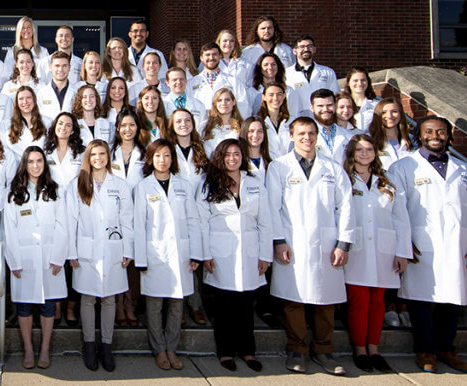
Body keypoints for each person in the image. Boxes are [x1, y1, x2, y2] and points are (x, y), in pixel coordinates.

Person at [389, 116, 467, 373]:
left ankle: (446, 348)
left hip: (458, 244)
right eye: (429, 131)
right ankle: (425, 349)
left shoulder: (465, 171)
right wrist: (404, 242)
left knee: (453, 298)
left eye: (441, 131)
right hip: (421, 245)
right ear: (419, 136)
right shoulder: (403, 167)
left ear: (449, 136)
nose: (436, 135)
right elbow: (395, 209)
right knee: (422, 298)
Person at [267, 116, 353, 376]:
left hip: (327, 244)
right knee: (294, 300)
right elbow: (272, 207)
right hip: (292, 243)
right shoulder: (279, 167)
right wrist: (279, 240)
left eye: (311, 133)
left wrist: (344, 244)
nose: (307, 138)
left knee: (326, 301)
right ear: (291, 136)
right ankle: (297, 349)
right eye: (301, 133)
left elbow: (346, 205)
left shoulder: (333, 168)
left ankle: (325, 350)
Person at [197, 138, 272, 373]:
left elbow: (265, 221)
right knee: (223, 306)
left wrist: (265, 255)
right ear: (220, 157)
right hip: (220, 253)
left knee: (245, 305)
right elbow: (202, 223)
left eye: (237, 154)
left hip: (250, 251)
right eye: (227, 154)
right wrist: (206, 254)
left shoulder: (254, 183)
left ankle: (248, 351)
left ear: (243, 157)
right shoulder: (208, 184)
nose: (232, 158)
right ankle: (226, 352)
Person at [341, 134, 411, 373]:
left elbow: (400, 218)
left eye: (368, 149)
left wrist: (402, 252)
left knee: (379, 301)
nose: (364, 153)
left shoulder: (387, 181)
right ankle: (360, 349)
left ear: (375, 153)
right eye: (359, 149)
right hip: (357, 250)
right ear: (351, 153)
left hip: (384, 250)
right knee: (359, 301)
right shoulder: (344, 180)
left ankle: (375, 348)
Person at [65, 139, 133, 372]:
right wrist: (71, 251)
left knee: (109, 299)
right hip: (86, 250)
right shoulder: (77, 184)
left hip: (113, 249)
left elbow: (127, 220)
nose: (98, 158)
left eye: (102, 153)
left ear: (108, 156)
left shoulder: (120, 186)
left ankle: (106, 346)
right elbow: (70, 221)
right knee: (87, 298)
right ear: (88, 157)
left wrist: (128, 250)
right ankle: (90, 345)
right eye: (94, 154)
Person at [132, 138, 200, 371]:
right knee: (154, 305)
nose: (163, 160)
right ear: (151, 159)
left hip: (180, 254)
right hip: (155, 255)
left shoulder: (184, 185)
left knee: (176, 305)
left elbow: (193, 220)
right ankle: (159, 349)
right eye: (158, 155)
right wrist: (140, 258)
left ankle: (172, 347)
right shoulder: (143, 187)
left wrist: (196, 254)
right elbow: (138, 225)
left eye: (167, 155)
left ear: (173, 159)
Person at [2, 145, 67, 370]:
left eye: (39, 161)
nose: (36, 165)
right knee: (24, 307)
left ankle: (45, 349)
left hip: (50, 257)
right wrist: (14, 261)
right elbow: (9, 229)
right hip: (25, 258)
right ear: (24, 164)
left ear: (45, 164)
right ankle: (29, 349)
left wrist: (59, 256)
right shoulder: (13, 192)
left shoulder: (55, 190)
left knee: (49, 306)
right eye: (31, 161)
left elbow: (62, 226)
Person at [189, 43, 251, 119]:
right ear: (201, 58)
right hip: (200, 127)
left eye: (214, 54)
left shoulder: (233, 81)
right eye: (207, 55)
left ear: (220, 56)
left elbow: (244, 105)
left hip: (228, 127)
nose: (211, 58)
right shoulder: (191, 83)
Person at [285, 35, 339, 118]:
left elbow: (335, 97)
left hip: (322, 119)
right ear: (294, 51)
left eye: (309, 46)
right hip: (296, 119)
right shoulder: (286, 74)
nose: (306, 49)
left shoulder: (328, 72)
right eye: (302, 47)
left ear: (314, 49)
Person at [165, 108, 209, 189]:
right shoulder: (167, 150)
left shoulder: (204, 148)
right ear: (172, 126)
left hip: (200, 198)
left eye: (187, 120)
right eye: (178, 121)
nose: (183, 124)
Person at [44, 112, 89, 189]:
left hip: (75, 197)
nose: (63, 127)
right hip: (52, 196)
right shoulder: (46, 151)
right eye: (60, 123)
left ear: (72, 131)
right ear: (55, 126)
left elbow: (86, 178)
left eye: (68, 125)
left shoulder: (82, 152)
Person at [367, 98, 415, 168]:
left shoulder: (412, 140)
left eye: (394, 111)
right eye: (384, 112)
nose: (389, 116)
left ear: (400, 114)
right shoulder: (369, 141)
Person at [309, 89, 354, 163]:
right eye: (320, 106)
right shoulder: (305, 136)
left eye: (329, 105)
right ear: (312, 108)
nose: (325, 109)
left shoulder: (350, 136)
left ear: (335, 106)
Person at [5, 86, 50, 155]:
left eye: (28, 98)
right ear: (17, 103)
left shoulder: (47, 122)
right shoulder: (8, 125)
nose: (25, 101)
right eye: (21, 99)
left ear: (34, 100)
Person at [110, 109, 148, 189]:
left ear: (137, 127)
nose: (128, 129)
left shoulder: (145, 153)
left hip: (138, 198)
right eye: (123, 125)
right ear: (117, 128)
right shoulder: (109, 151)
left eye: (132, 125)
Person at [3, 17, 49, 81]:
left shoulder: (43, 51)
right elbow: (7, 75)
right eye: (23, 28)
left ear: (33, 30)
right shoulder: (12, 52)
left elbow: (47, 74)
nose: (26, 30)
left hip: (38, 88)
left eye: (28, 27)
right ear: (19, 31)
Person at [201, 88, 245, 155]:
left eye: (227, 100)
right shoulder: (204, 126)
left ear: (234, 102)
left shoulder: (242, 126)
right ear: (215, 104)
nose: (223, 103)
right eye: (219, 100)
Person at [36, 51, 77, 119]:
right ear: (50, 67)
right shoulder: (41, 93)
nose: (60, 69)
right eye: (57, 66)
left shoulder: (76, 92)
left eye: (64, 66)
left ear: (69, 68)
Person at [256, 82, 293, 157]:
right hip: (268, 165)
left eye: (279, 94)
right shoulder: (257, 122)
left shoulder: (291, 121)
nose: (275, 98)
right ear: (264, 97)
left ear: (284, 96)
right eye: (271, 95)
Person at [346, 68, 380, 133]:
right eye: (355, 80)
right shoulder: (341, 104)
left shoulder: (376, 104)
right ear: (348, 82)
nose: (360, 83)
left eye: (363, 80)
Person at [240, 116, 274, 181]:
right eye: (251, 131)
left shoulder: (270, 161)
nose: (255, 135)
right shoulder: (239, 161)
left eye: (260, 131)